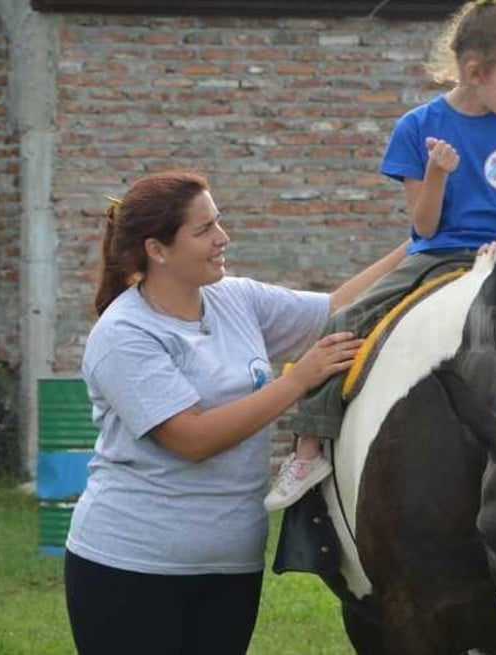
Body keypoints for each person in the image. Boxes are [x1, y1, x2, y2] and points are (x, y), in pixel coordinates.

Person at [267, 0, 496, 511]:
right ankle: (308, 447)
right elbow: (423, 227)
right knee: (344, 323)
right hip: (436, 256)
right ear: (475, 71)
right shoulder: (418, 127)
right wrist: (438, 172)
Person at [64, 171, 406, 655]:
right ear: (157, 249)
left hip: (231, 566)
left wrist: (421, 246)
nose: (222, 237)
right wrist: (296, 381)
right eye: (204, 230)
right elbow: (192, 439)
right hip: (131, 570)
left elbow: (335, 308)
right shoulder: (125, 335)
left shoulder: (235, 298)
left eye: (218, 222)